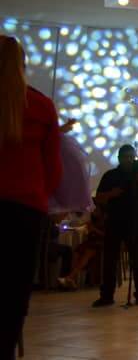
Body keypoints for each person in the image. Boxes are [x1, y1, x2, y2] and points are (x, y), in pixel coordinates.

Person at [0, 35, 63, 358]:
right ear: (22, 66)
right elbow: (53, 169)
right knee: (13, 293)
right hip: (24, 210)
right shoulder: (39, 106)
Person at [93, 147, 138, 307]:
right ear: (119, 158)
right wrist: (111, 194)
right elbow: (99, 198)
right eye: (125, 157)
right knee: (110, 259)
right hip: (115, 221)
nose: (129, 160)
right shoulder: (110, 176)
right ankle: (107, 295)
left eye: (131, 157)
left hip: (137, 223)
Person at [57, 205, 106, 290]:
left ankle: (70, 278)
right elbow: (83, 227)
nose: (93, 212)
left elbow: (107, 236)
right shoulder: (92, 220)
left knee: (87, 253)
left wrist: (94, 230)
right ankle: (72, 280)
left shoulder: (105, 221)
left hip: (100, 243)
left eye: (96, 210)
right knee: (76, 252)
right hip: (90, 242)